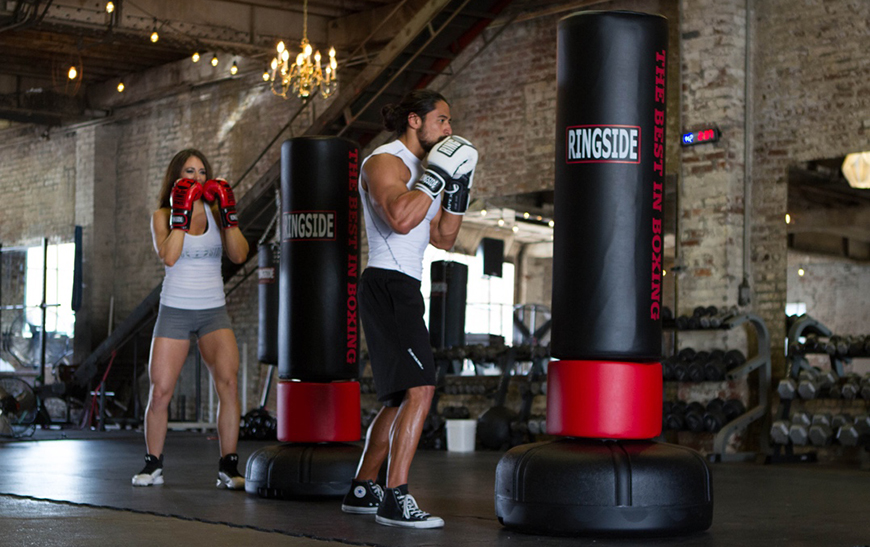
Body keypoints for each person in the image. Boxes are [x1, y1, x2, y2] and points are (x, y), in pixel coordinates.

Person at [340, 90, 478, 528]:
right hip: (386, 282)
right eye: (442, 120)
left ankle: (364, 488)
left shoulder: (425, 169)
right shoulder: (385, 161)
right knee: (421, 388)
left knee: (402, 396)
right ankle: (395, 496)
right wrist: (437, 177)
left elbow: (443, 237)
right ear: (415, 121)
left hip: (405, 285)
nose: (449, 130)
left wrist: (459, 186)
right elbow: (400, 218)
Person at [132, 149, 250, 489]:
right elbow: (168, 257)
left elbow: (239, 254)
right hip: (175, 308)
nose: (197, 177)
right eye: (189, 171)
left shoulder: (216, 212)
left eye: (202, 172)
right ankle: (153, 464)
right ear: (176, 176)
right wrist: (181, 215)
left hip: (213, 309)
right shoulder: (162, 215)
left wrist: (228, 215)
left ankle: (229, 466)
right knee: (161, 391)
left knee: (228, 384)